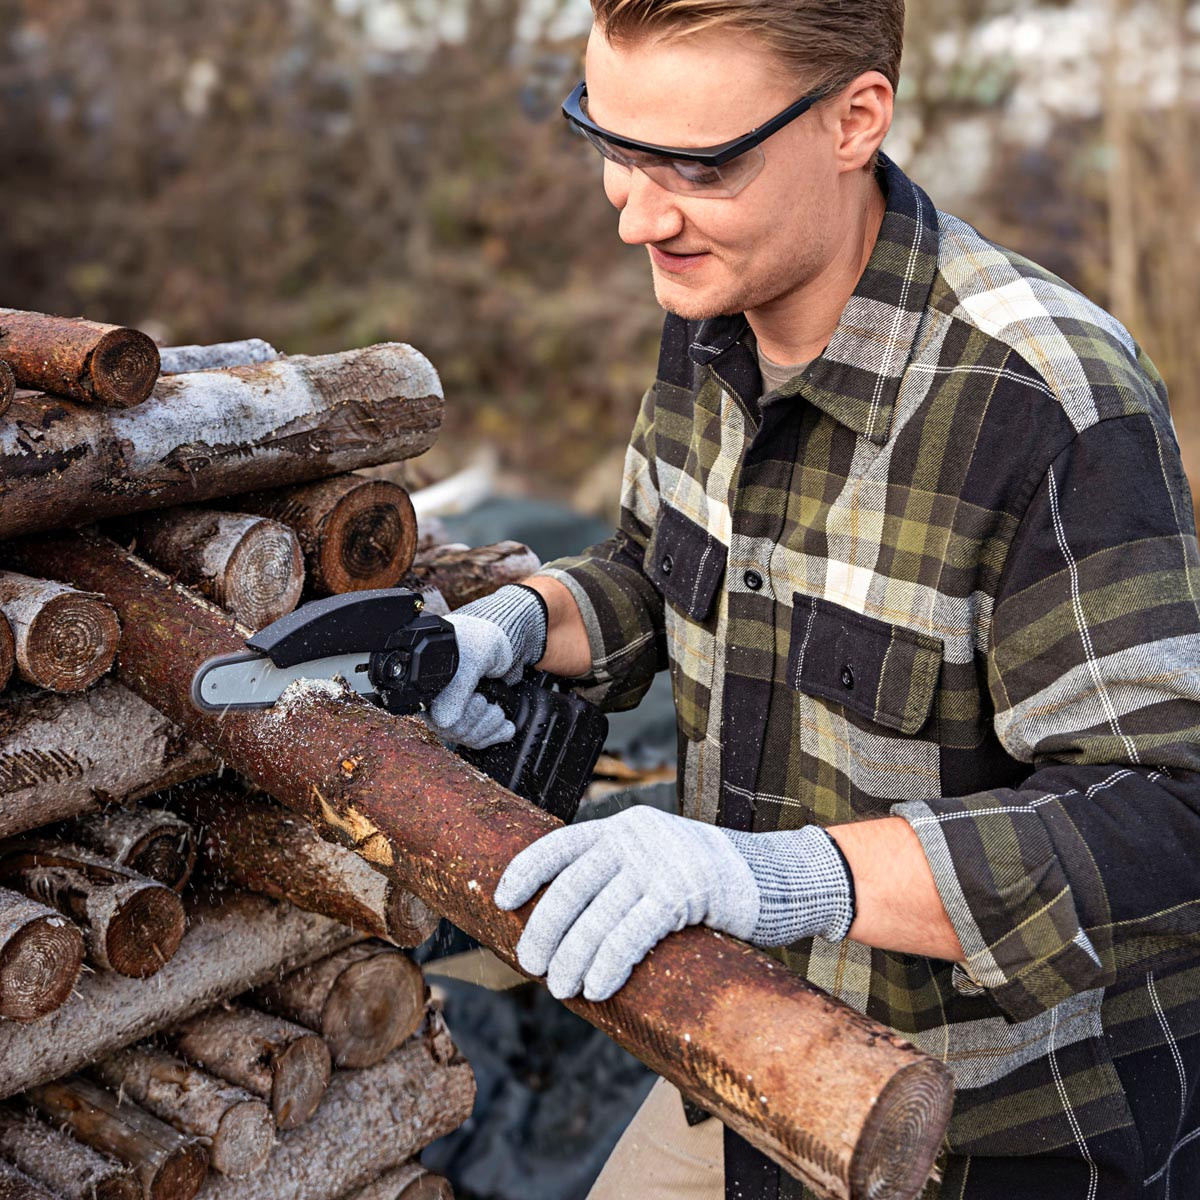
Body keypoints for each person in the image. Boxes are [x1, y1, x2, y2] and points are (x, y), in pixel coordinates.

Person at [424, 2, 1200, 1196]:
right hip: (739, 1045)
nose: (636, 212)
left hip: (986, 1125)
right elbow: (657, 565)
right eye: (612, 146)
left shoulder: (1045, 401)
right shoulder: (711, 304)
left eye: (696, 163)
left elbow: (1165, 818)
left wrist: (781, 878)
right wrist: (522, 626)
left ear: (855, 120)